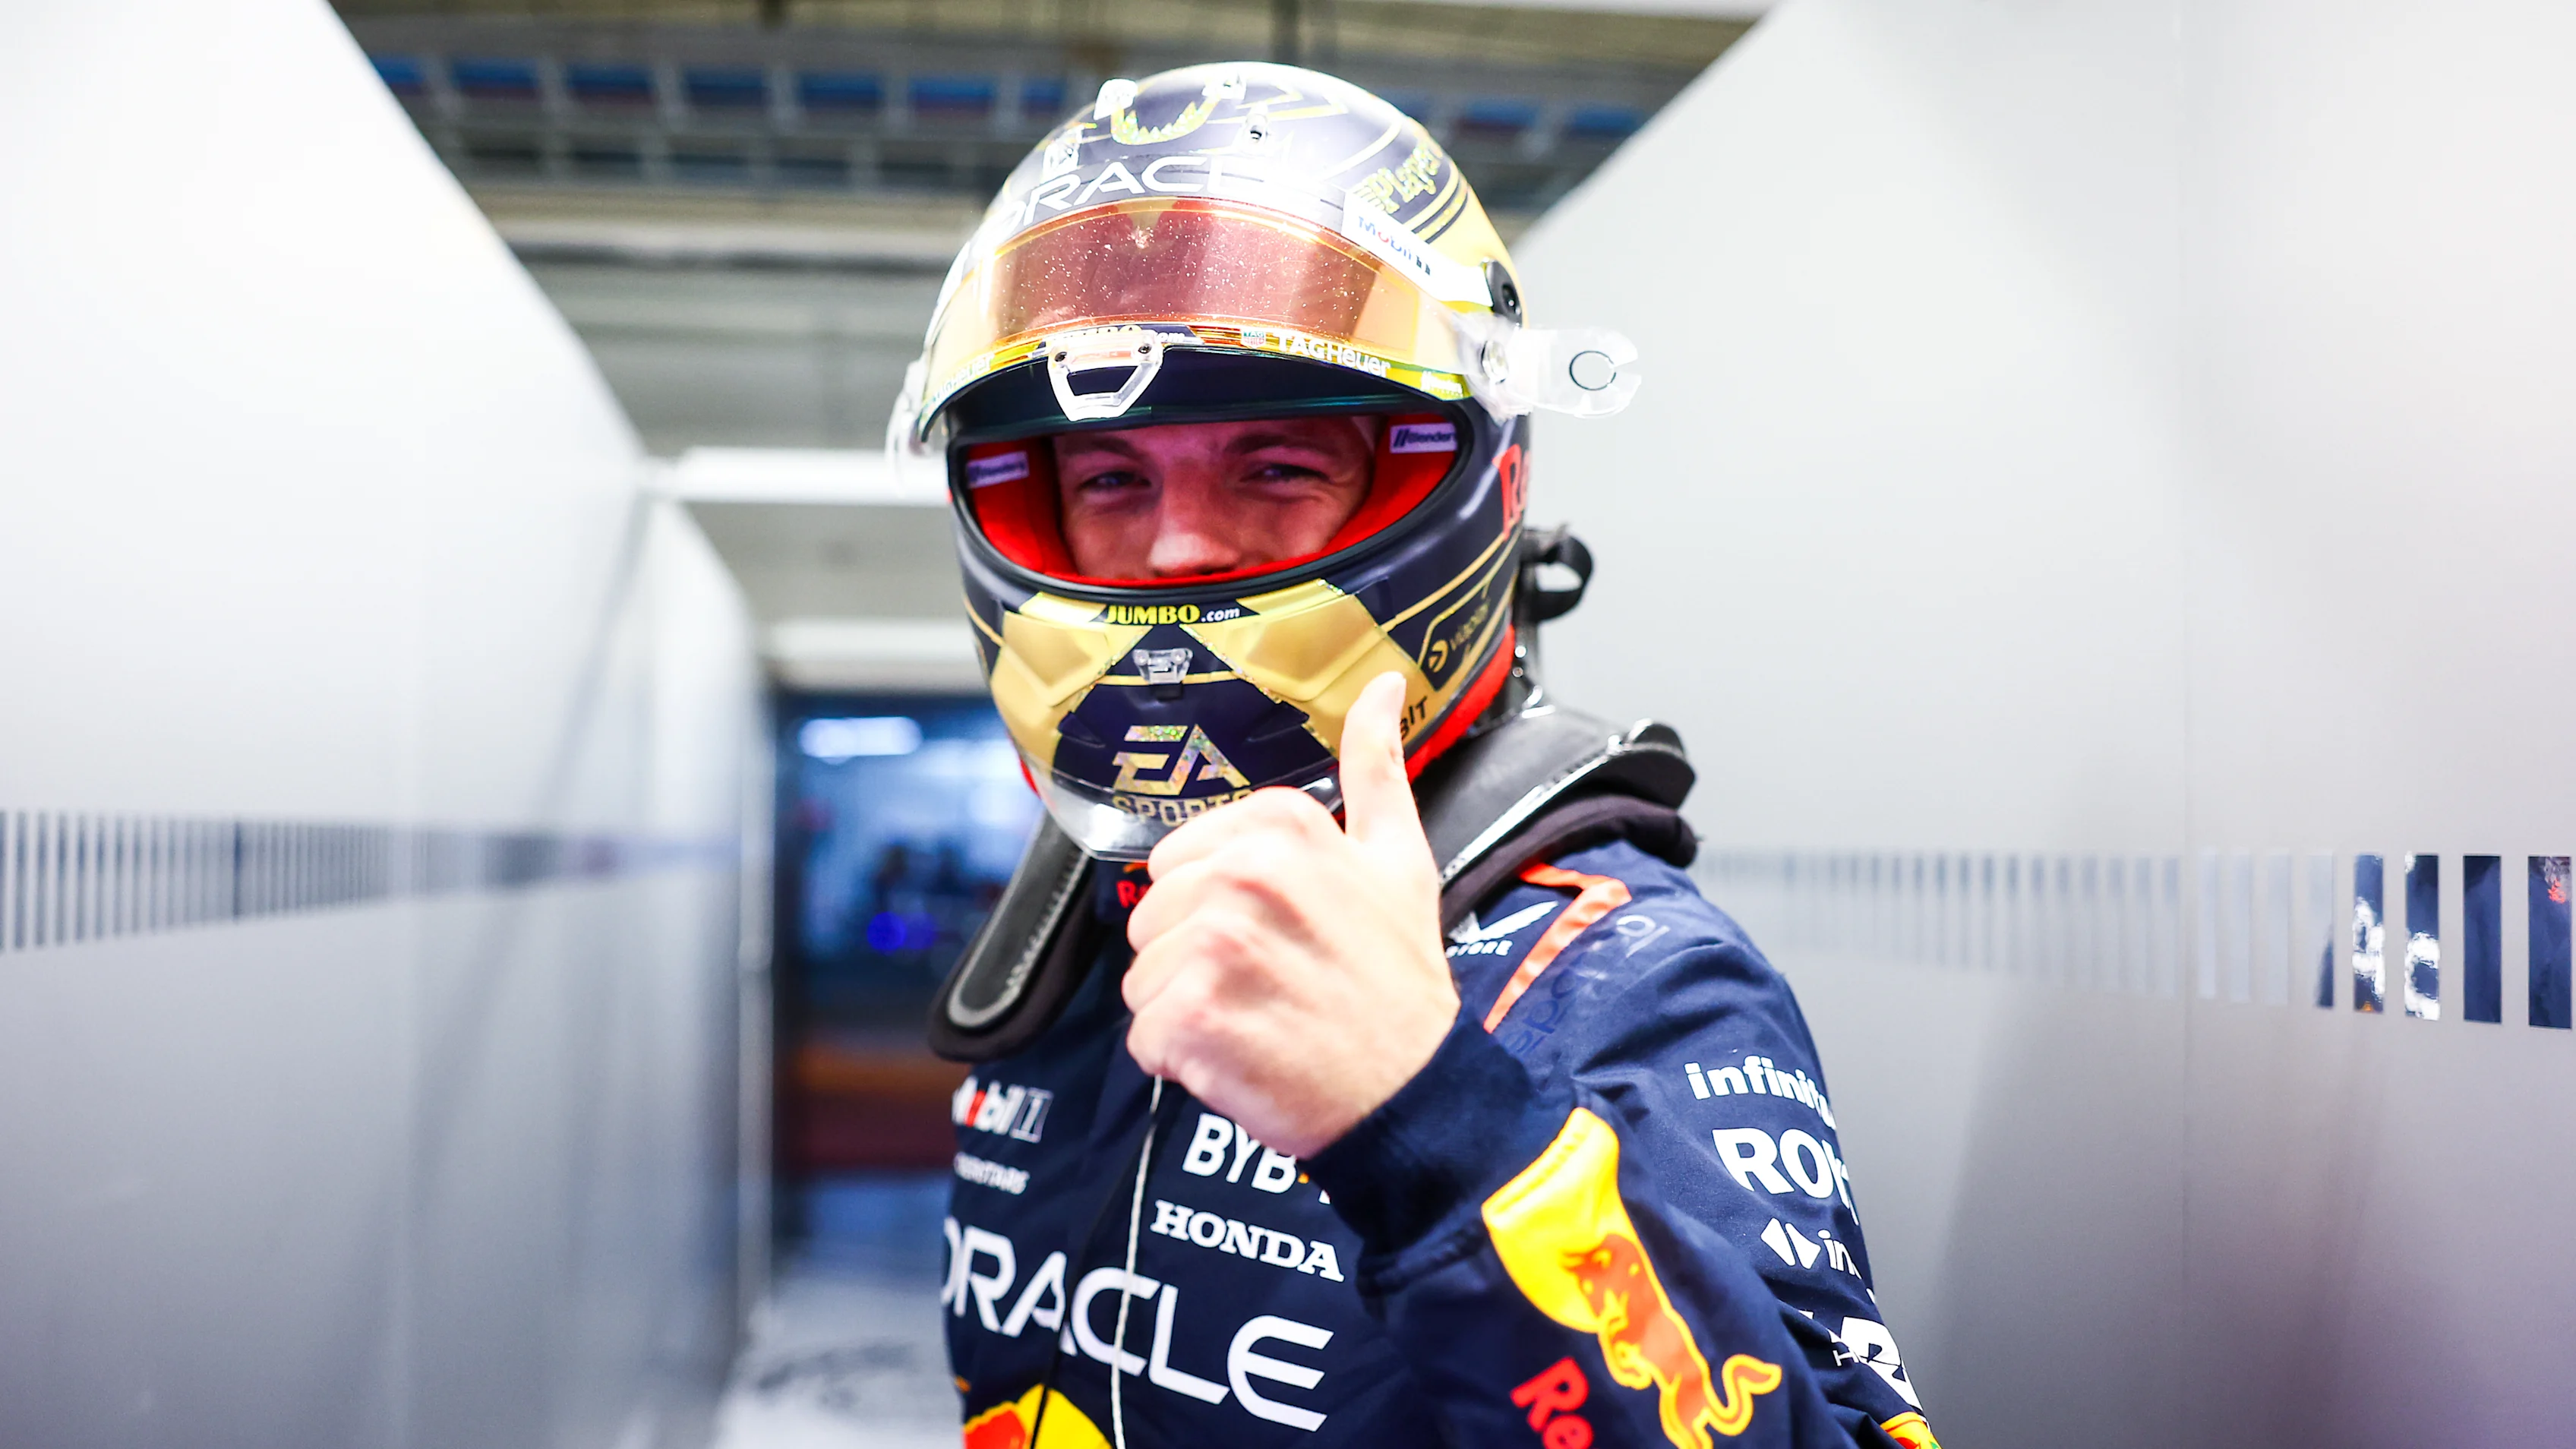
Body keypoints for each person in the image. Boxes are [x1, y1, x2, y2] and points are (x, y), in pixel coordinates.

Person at [904, 62, 1941, 1449]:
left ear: (1470, 488)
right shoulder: (1090, 923)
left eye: (1278, 467)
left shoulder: (1617, 980)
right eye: (1110, 480)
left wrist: (1431, 1118)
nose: (1177, 548)